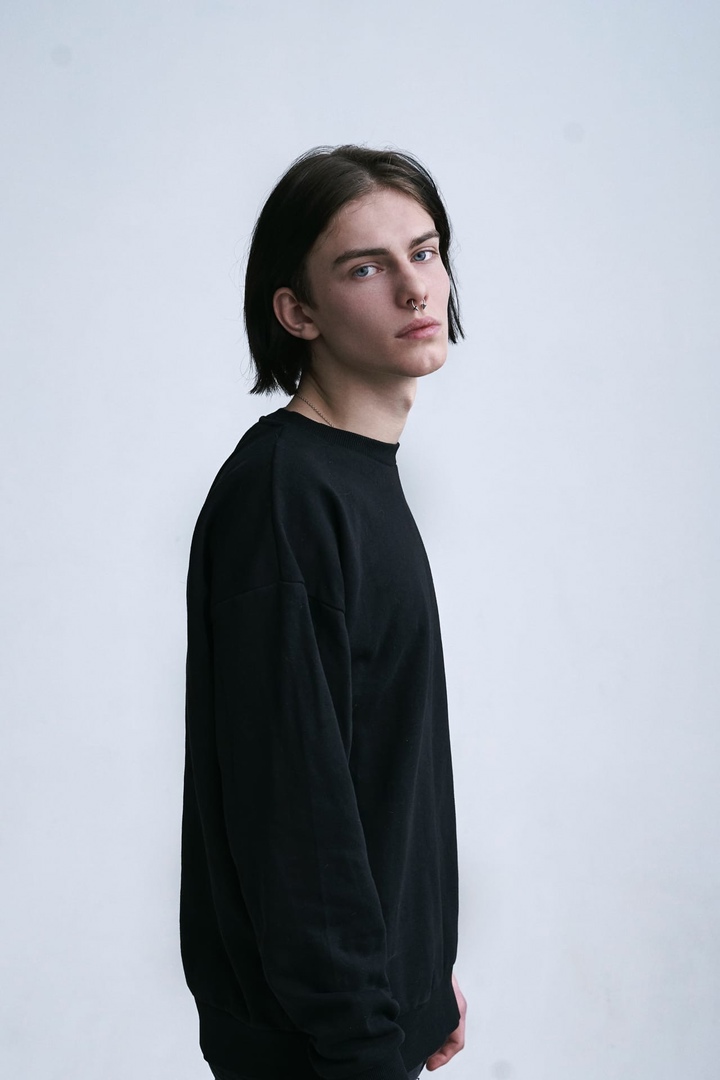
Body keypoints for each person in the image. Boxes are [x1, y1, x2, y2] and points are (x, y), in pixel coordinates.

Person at [180, 145, 467, 1080]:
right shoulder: (285, 496)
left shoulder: (354, 476)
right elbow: (292, 812)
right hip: (325, 1053)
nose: (415, 288)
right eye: (365, 268)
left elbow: (376, 757)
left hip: (367, 1022)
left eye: (424, 252)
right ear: (297, 312)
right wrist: (365, 1036)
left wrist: (422, 980)